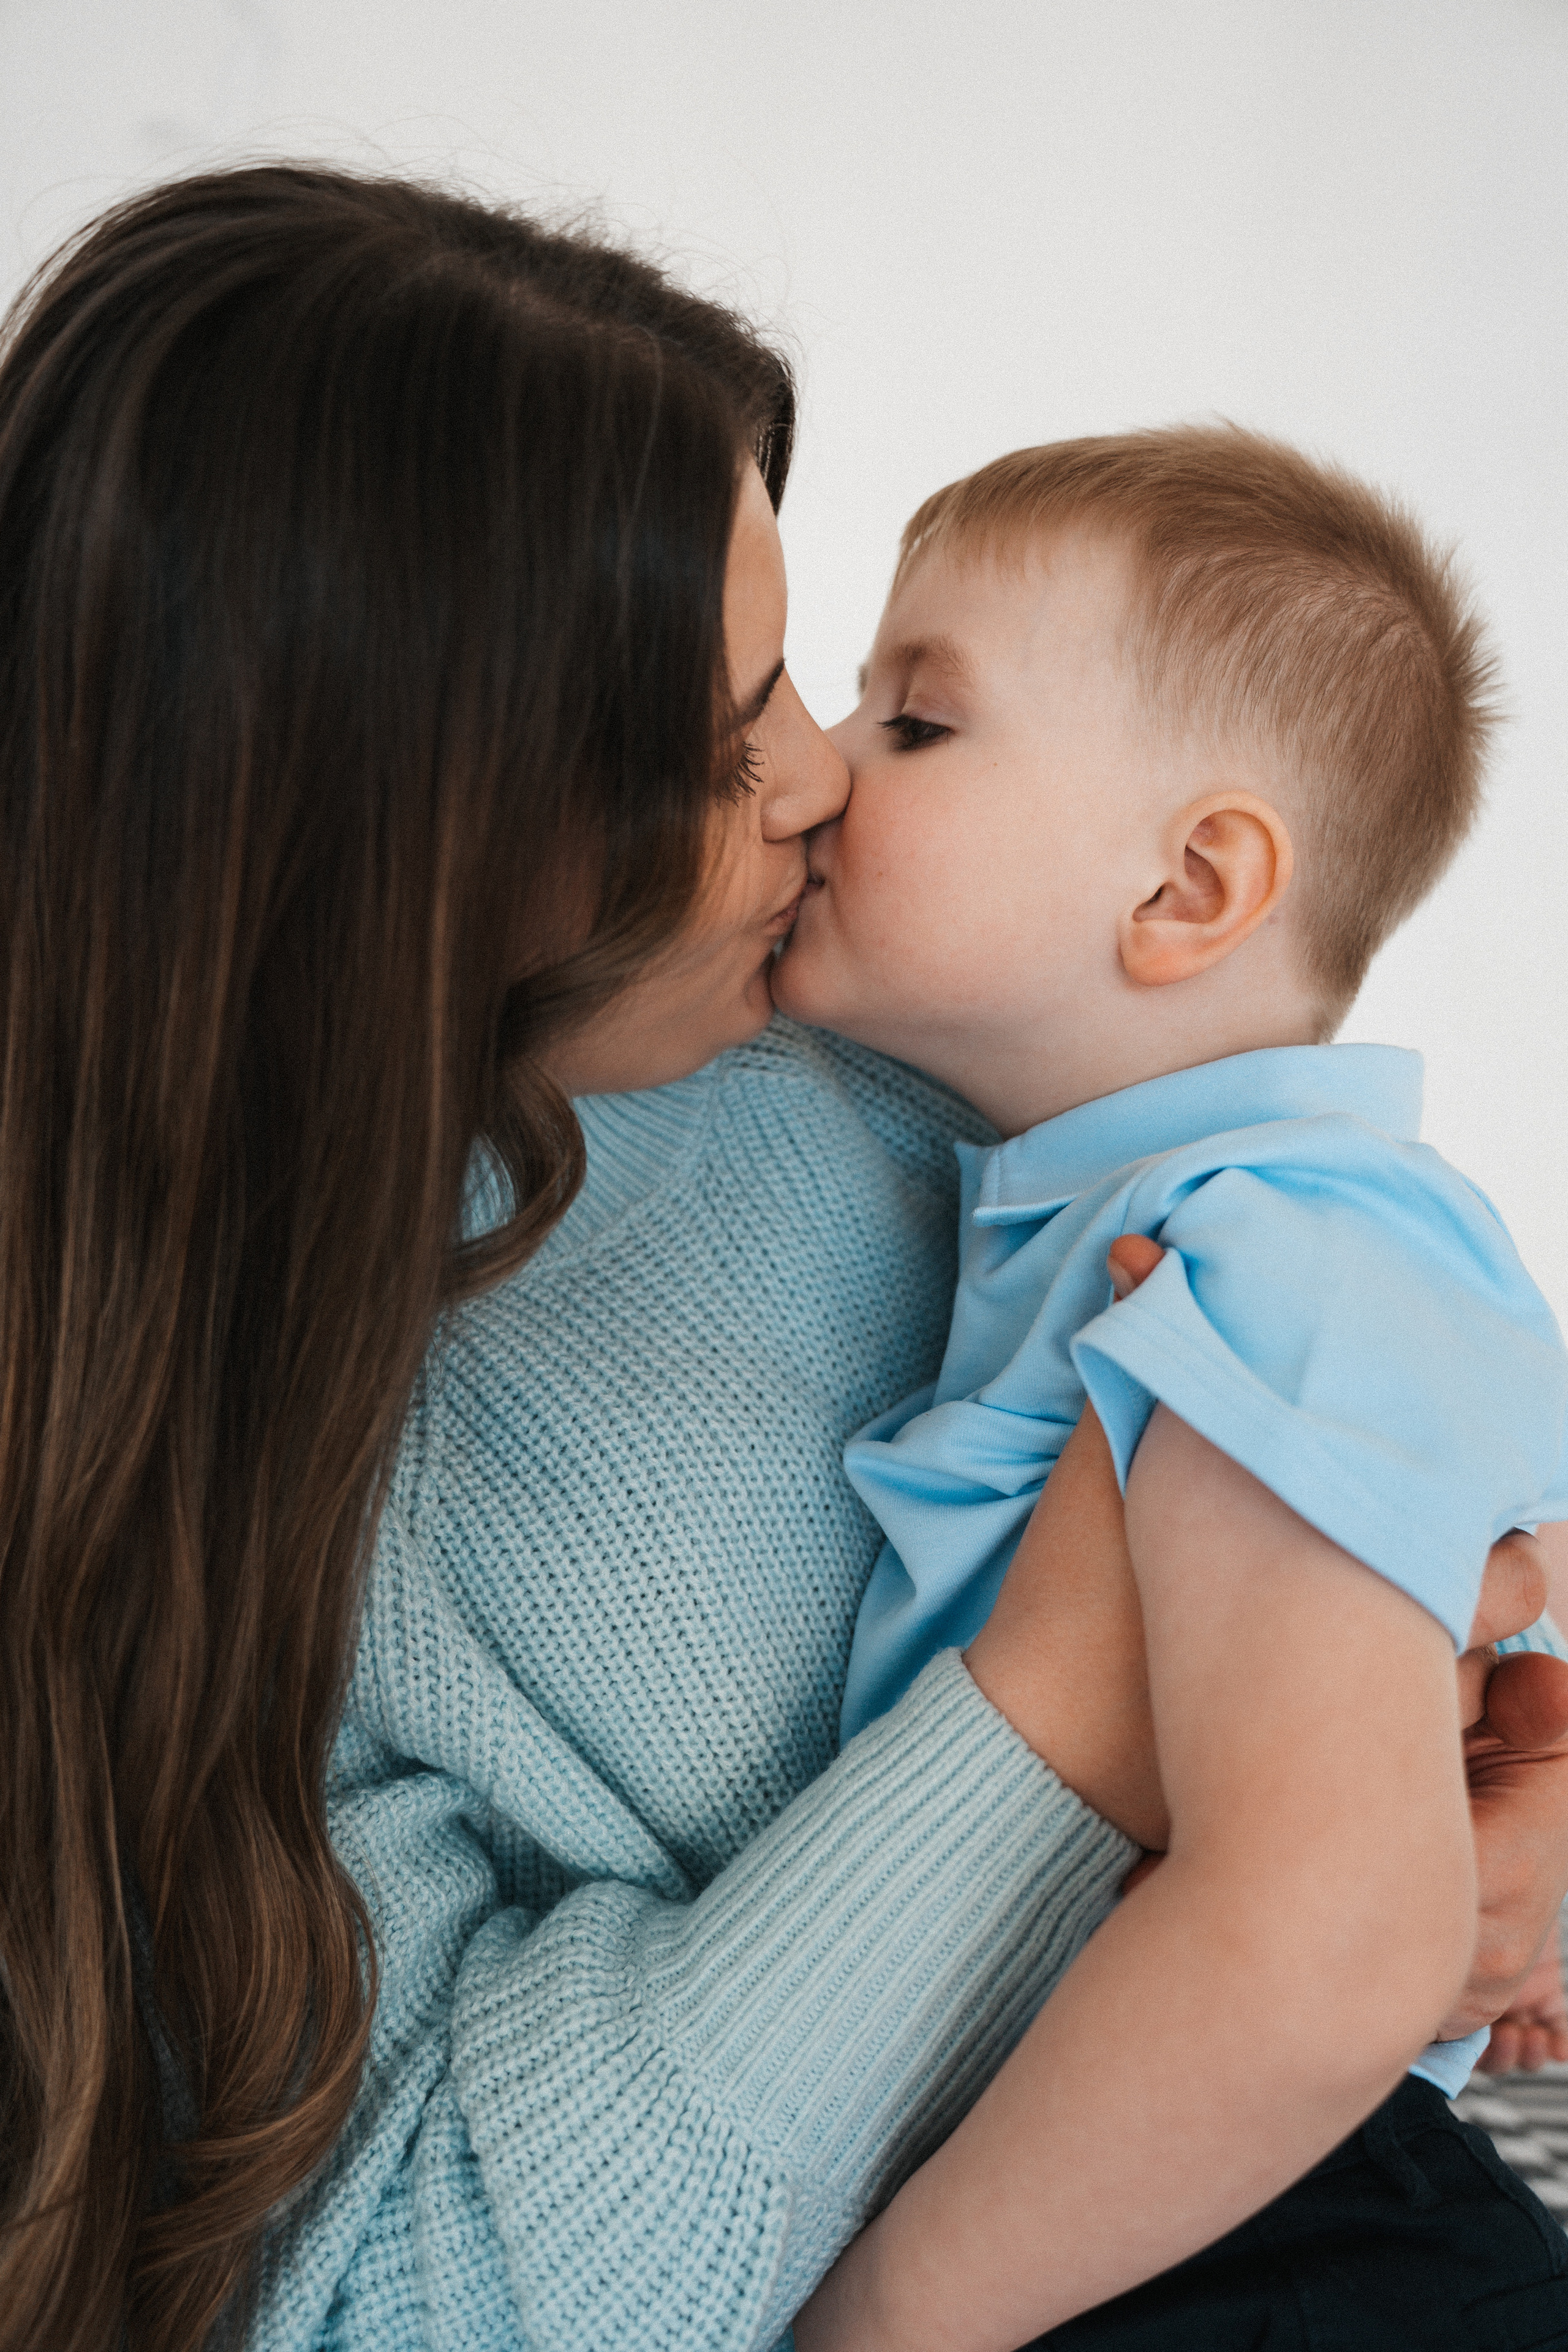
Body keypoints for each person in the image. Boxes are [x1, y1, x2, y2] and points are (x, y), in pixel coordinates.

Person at [0, 172, 1562, 2352]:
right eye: (731, 726)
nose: (822, 773)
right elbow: (383, 2296)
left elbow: (1416, 1501)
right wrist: (1076, 1699)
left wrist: (1508, 1752)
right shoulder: (159, 1477)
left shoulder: (894, 1059)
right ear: (416, 821)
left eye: (867, 700)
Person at [775, 428, 1568, 2350]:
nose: (813, 763)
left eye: (916, 720)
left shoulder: (1278, 1246)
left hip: (1268, 2242)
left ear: (1191, 884)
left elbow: (1324, 1956)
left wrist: (883, 2319)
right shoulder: (1122, 1221)